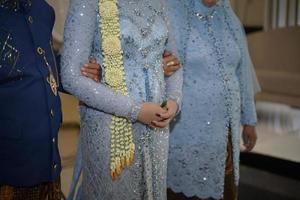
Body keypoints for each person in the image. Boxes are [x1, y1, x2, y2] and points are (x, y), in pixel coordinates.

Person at [61, 0, 183, 199]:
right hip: (110, 124)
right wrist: (135, 110)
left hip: (157, 127)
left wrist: (173, 101)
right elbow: (71, 77)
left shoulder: (160, 3)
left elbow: (174, 61)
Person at [0, 0, 100, 199]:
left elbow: (45, 66)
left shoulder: (42, 10)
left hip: (49, 160)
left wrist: (83, 72)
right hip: (10, 169)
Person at [165, 0, 260, 199]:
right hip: (187, 128)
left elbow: (242, 71)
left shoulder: (228, 17)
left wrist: (249, 120)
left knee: (224, 188)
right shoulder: (173, 11)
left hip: (226, 131)